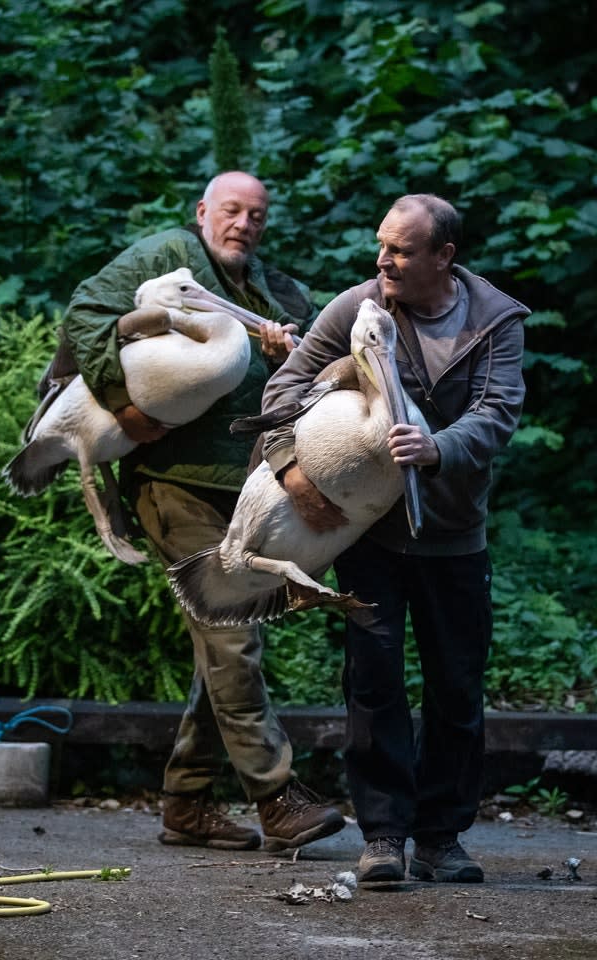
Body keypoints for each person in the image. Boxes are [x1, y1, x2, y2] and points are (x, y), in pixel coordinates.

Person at [62, 171, 346, 852]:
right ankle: (277, 797)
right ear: (203, 213)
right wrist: (121, 402)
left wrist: (291, 360)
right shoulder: (167, 258)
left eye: (257, 215)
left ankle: (186, 802)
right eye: (232, 210)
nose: (244, 223)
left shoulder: (278, 297)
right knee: (232, 636)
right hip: (173, 482)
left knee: (222, 650)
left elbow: (302, 396)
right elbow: (85, 313)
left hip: (251, 492)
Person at [260, 194, 528, 881]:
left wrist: (438, 447)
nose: (383, 262)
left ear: (445, 257)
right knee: (373, 683)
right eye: (381, 246)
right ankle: (383, 836)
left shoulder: (495, 321)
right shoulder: (357, 307)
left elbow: (499, 413)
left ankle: (441, 838)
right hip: (370, 536)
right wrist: (294, 472)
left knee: (457, 688)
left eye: (402, 251)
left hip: (454, 537)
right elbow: (284, 389)